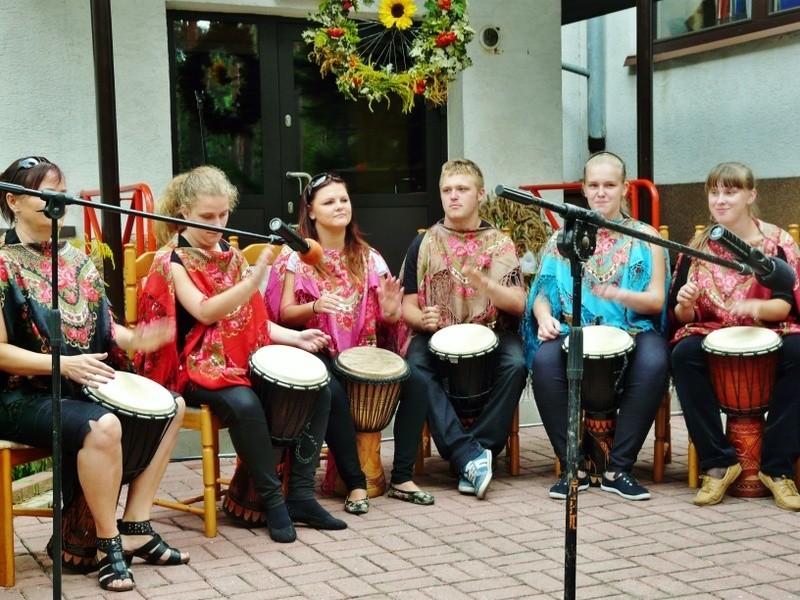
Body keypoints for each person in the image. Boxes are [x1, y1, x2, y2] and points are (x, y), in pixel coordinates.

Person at [0, 156, 189, 593]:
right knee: (103, 426)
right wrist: (62, 365)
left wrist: (135, 339)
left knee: (172, 406)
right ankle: (109, 545)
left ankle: (137, 523)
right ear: (12, 200)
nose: (56, 199)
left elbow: (105, 329)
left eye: (60, 189)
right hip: (20, 397)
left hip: (78, 385)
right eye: (44, 192)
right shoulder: (3, 264)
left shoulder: (76, 257)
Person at [135, 165, 346, 543]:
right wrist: (251, 281)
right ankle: (272, 501)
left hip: (235, 361)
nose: (217, 223)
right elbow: (205, 311)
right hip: (191, 368)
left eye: (223, 214)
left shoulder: (229, 255)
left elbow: (253, 321)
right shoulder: (171, 261)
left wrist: (293, 339)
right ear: (182, 212)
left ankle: (298, 494)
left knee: (321, 387)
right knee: (246, 404)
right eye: (206, 217)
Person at [267, 172, 433, 514]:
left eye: (343, 199)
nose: (339, 206)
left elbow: (390, 316)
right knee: (332, 392)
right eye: (329, 201)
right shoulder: (294, 256)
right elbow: (282, 315)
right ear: (310, 211)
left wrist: (390, 313)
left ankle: (401, 476)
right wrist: (313, 306)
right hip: (315, 349)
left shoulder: (369, 257)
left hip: (362, 351)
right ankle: (356, 484)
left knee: (417, 381)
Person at [521, 151, 670, 502]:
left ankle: (619, 468)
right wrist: (544, 319)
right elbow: (542, 294)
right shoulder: (564, 241)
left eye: (609, 185)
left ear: (625, 188)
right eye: (593, 185)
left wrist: (620, 295)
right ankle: (573, 467)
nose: (601, 192)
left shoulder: (646, 238)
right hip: (577, 333)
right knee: (544, 362)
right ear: (583, 190)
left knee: (654, 361)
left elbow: (656, 301)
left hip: (633, 330)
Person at [669, 161, 800, 510]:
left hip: (770, 331)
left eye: (731, 192)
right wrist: (686, 302)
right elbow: (682, 316)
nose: (721, 200)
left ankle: (778, 467)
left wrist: (754, 308)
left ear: (751, 194)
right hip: (713, 334)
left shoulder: (776, 243)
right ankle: (718, 462)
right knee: (683, 355)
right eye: (715, 192)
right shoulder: (697, 245)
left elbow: (786, 306)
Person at [400, 158, 528, 499]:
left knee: (515, 364)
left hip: (493, 332)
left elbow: (518, 304)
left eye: (462, 189)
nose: (453, 196)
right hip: (436, 335)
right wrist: (419, 319)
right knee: (414, 368)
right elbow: (407, 304)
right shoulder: (424, 243)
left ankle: (477, 450)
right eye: (447, 190)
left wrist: (487, 285)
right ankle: (468, 455)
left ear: (480, 194)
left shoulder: (499, 243)